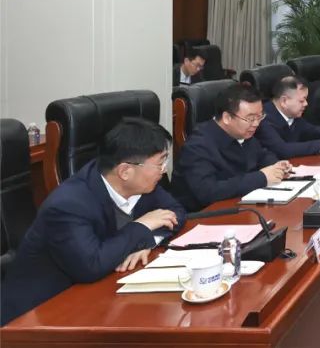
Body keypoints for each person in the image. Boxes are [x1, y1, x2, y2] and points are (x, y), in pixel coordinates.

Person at [0, 118, 185, 325]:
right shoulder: (67, 205)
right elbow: (91, 266)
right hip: (36, 315)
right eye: (160, 163)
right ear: (125, 171)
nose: (163, 170)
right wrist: (142, 226)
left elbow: (176, 212)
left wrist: (148, 241)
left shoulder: (138, 183)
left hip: (96, 295)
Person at [171, 83, 292, 211]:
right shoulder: (197, 146)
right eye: (251, 118)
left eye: (259, 116)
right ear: (227, 118)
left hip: (239, 205)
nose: (256, 124)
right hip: (204, 215)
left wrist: (277, 166)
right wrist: (262, 178)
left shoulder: (243, 133)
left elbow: (262, 155)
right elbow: (208, 192)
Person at [255, 76, 320, 159]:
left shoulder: (292, 114)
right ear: (284, 101)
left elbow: (309, 129)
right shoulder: (262, 119)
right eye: (301, 101)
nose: (306, 104)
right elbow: (282, 149)